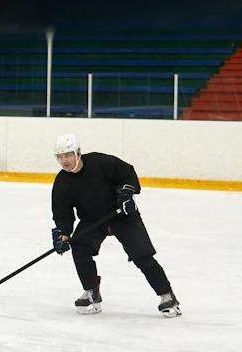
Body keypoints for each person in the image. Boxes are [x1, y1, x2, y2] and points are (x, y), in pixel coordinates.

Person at [49, 134, 179, 317]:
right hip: (93, 220)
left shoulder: (101, 162)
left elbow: (128, 174)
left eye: (68, 155)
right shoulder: (62, 182)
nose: (64, 161)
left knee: (142, 256)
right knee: (80, 248)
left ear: (78, 153)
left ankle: (167, 295)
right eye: (60, 156)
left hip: (122, 215)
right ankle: (91, 292)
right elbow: (62, 212)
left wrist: (127, 192)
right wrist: (63, 234)